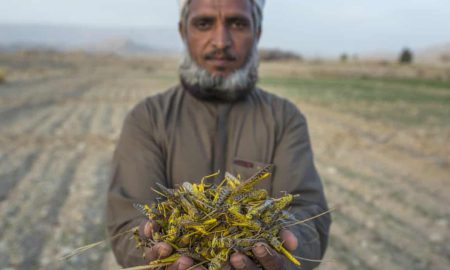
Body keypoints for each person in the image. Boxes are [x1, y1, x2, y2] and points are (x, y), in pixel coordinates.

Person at [106, 0, 331, 269]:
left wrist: (285, 250)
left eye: (237, 23)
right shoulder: (148, 119)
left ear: (257, 32)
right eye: (204, 23)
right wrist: (154, 251)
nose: (221, 41)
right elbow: (128, 220)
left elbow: (310, 213)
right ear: (183, 32)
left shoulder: (284, 119)